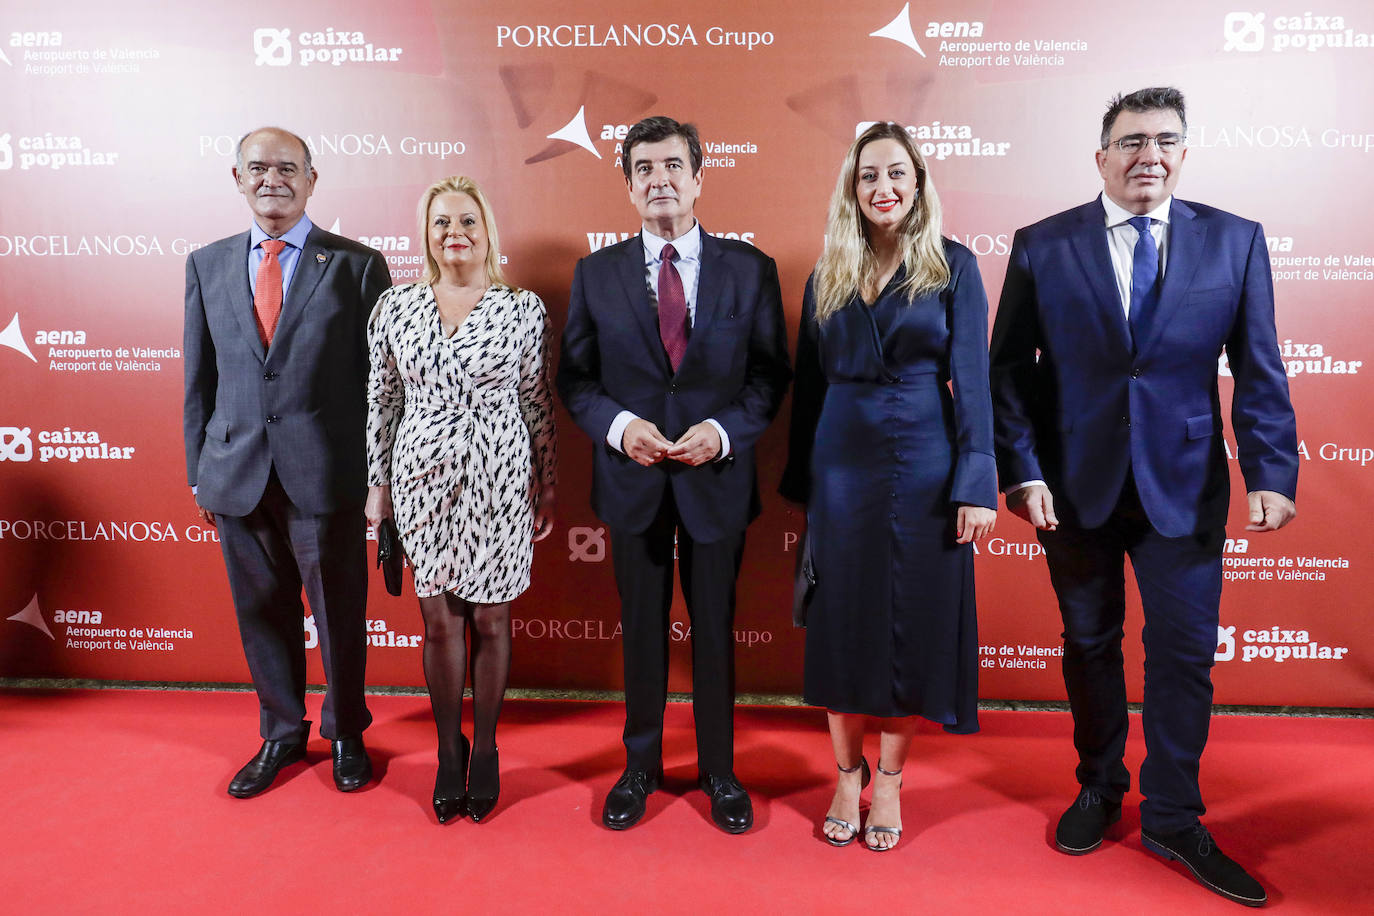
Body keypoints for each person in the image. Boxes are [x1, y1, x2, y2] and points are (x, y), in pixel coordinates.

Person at [989, 87, 1298, 906]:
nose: (1147, 155)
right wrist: (1022, 471)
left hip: (1186, 488)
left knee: (1185, 655)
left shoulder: (1234, 240)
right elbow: (1007, 371)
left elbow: (1260, 368)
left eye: (1165, 140)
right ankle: (1098, 783)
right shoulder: (1043, 244)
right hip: (1074, 488)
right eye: (1130, 141)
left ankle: (1171, 813)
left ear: (1185, 153)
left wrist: (1271, 472)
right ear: (1101, 157)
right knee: (1088, 643)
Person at [557, 116, 791, 834]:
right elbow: (576, 379)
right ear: (628, 186)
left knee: (715, 630)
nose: (659, 179)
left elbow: (768, 377)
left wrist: (721, 434)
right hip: (631, 485)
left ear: (698, 177)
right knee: (642, 631)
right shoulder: (594, 274)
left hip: (716, 484)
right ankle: (640, 768)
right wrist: (622, 429)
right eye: (644, 169)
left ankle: (721, 772)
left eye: (672, 166)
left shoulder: (749, 270)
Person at [779, 122, 998, 851]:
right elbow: (807, 391)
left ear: (919, 182)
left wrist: (976, 484)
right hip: (840, 464)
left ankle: (891, 784)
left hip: (927, 465)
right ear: (852, 186)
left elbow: (973, 383)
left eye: (897, 174)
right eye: (869, 175)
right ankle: (847, 773)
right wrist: (802, 488)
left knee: (910, 625)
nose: (884, 188)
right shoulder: (826, 274)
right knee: (843, 625)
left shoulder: (955, 267)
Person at [184, 126, 392, 798]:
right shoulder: (206, 264)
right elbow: (199, 380)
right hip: (236, 473)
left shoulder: (358, 266)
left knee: (339, 611)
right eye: (258, 167)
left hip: (325, 476)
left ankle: (347, 733)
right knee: (260, 610)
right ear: (237, 178)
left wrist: (374, 477)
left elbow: (379, 385)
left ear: (311, 179)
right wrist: (199, 470)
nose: (273, 178)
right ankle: (280, 731)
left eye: (288, 168)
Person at [364, 176, 556, 824]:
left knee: (492, 620)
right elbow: (382, 402)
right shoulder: (395, 306)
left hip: (499, 475)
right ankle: (450, 749)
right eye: (442, 222)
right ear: (426, 233)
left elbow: (536, 399)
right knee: (440, 620)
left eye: (468, 222)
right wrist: (377, 486)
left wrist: (547, 479)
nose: (456, 234)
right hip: (421, 479)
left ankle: (488, 751)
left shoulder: (522, 307)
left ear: (487, 230)